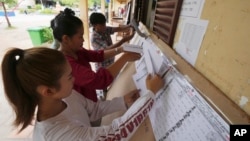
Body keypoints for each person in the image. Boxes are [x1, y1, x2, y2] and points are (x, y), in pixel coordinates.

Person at [1, 47, 164, 141]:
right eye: (70, 76)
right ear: (48, 91)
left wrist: (123, 101)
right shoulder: (56, 134)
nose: (74, 79)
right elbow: (116, 133)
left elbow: (93, 110)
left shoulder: (66, 95)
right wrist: (150, 94)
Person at [50, 8, 140, 102]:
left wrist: (120, 49)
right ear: (66, 39)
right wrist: (125, 57)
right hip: (82, 108)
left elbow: (98, 55)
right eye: (80, 36)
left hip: (90, 101)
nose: (83, 40)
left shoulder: (77, 51)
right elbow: (98, 80)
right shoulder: (66, 64)